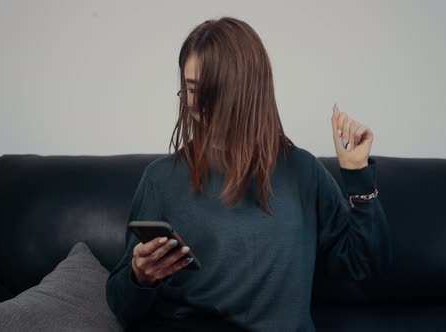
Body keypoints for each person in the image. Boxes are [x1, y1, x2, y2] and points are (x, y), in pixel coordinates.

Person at [106, 16, 392, 332]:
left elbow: (368, 272)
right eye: (191, 89)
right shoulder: (160, 179)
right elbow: (121, 307)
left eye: (214, 91)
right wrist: (139, 275)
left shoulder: (303, 172)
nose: (199, 106)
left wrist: (357, 174)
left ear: (249, 91)